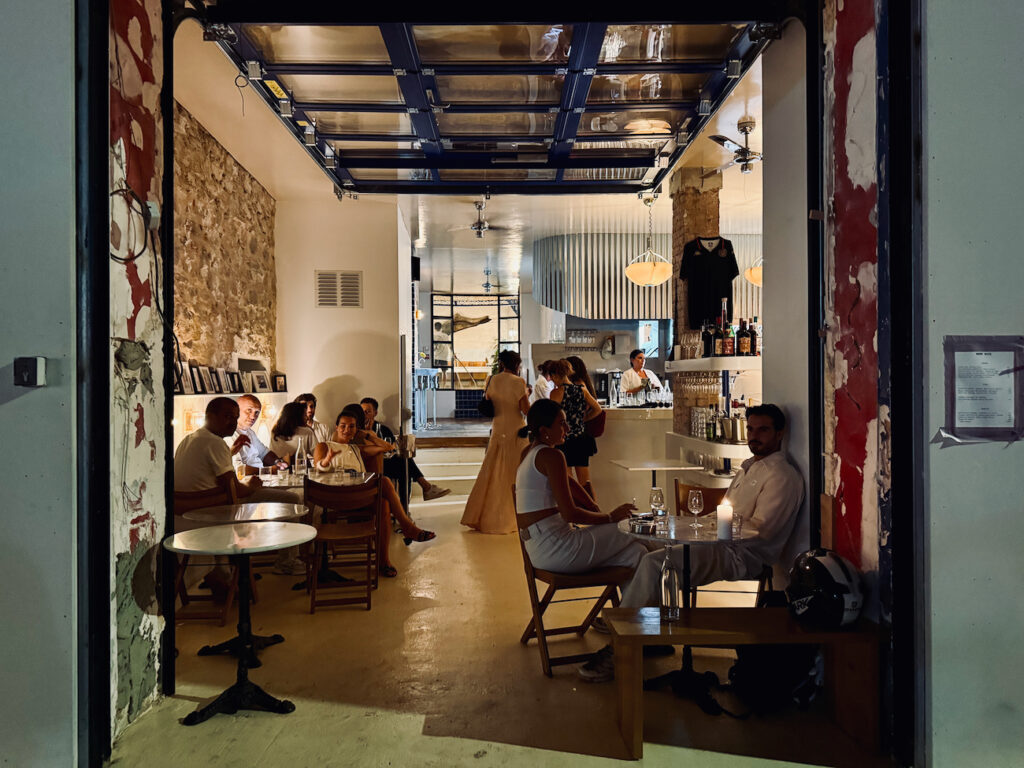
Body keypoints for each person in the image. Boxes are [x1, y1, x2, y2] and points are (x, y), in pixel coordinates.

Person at [577, 404, 805, 683]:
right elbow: (723, 513)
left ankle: (618, 650)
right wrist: (689, 526)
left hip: (739, 555)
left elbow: (762, 531)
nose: (754, 436)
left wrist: (705, 529)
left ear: (779, 433)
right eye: (751, 429)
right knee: (638, 547)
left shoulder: (782, 476)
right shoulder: (749, 467)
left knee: (653, 564)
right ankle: (645, 632)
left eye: (763, 430)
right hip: (716, 542)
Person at [515, 399, 646, 575]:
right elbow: (570, 514)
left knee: (637, 554)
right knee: (634, 527)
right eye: (561, 423)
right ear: (544, 431)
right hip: (558, 548)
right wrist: (609, 517)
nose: (567, 429)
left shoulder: (527, 453)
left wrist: (596, 510)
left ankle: (642, 593)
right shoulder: (551, 456)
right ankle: (678, 561)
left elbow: (572, 485)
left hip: (540, 551)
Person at [312, 407, 436, 578]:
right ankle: (407, 527)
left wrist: (368, 435)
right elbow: (318, 467)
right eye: (343, 426)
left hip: (359, 497)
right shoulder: (324, 446)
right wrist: (327, 460)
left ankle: (384, 561)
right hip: (335, 498)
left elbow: (388, 447)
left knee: (384, 503)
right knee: (383, 481)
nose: (347, 430)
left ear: (357, 429)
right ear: (336, 427)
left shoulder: (357, 449)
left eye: (351, 426)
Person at [460, 349, 531, 534]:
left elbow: (489, 401)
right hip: (515, 428)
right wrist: (527, 395)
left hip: (498, 428)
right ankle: (513, 514)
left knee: (492, 470)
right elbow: (525, 409)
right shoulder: (519, 382)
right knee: (513, 471)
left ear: (501, 363)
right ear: (517, 365)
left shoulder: (491, 380)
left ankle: (482, 515)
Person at [359, 397, 450, 500]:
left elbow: (391, 447)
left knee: (404, 464)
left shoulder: (383, 429)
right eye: (362, 412)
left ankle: (406, 504)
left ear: (375, 413)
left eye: (368, 412)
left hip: (384, 463)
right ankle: (426, 487)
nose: (364, 415)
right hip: (368, 465)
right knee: (404, 463)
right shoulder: (357, 429)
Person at [549, 358, 603, 498]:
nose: (553, 381)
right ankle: (593, 508)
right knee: (585, 483)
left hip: (564, 439)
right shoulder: (582, 390)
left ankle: (573, 509)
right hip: (581, 438)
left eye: (552, 378)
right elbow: (597, 409)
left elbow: (551, 415)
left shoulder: (556, 393)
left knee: (569, 482)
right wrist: (583, 419)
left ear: (555, 375)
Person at [230, 394, 287, 473]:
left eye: (256, 412)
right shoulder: (229, 435)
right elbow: (239, 469)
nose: (253, 417)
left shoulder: (250, 432)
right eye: (249, 410)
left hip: (261, 476)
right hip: (248, 479)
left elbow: (264, 453)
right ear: (236, 411)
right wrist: (269, 471)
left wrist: (278, 462)